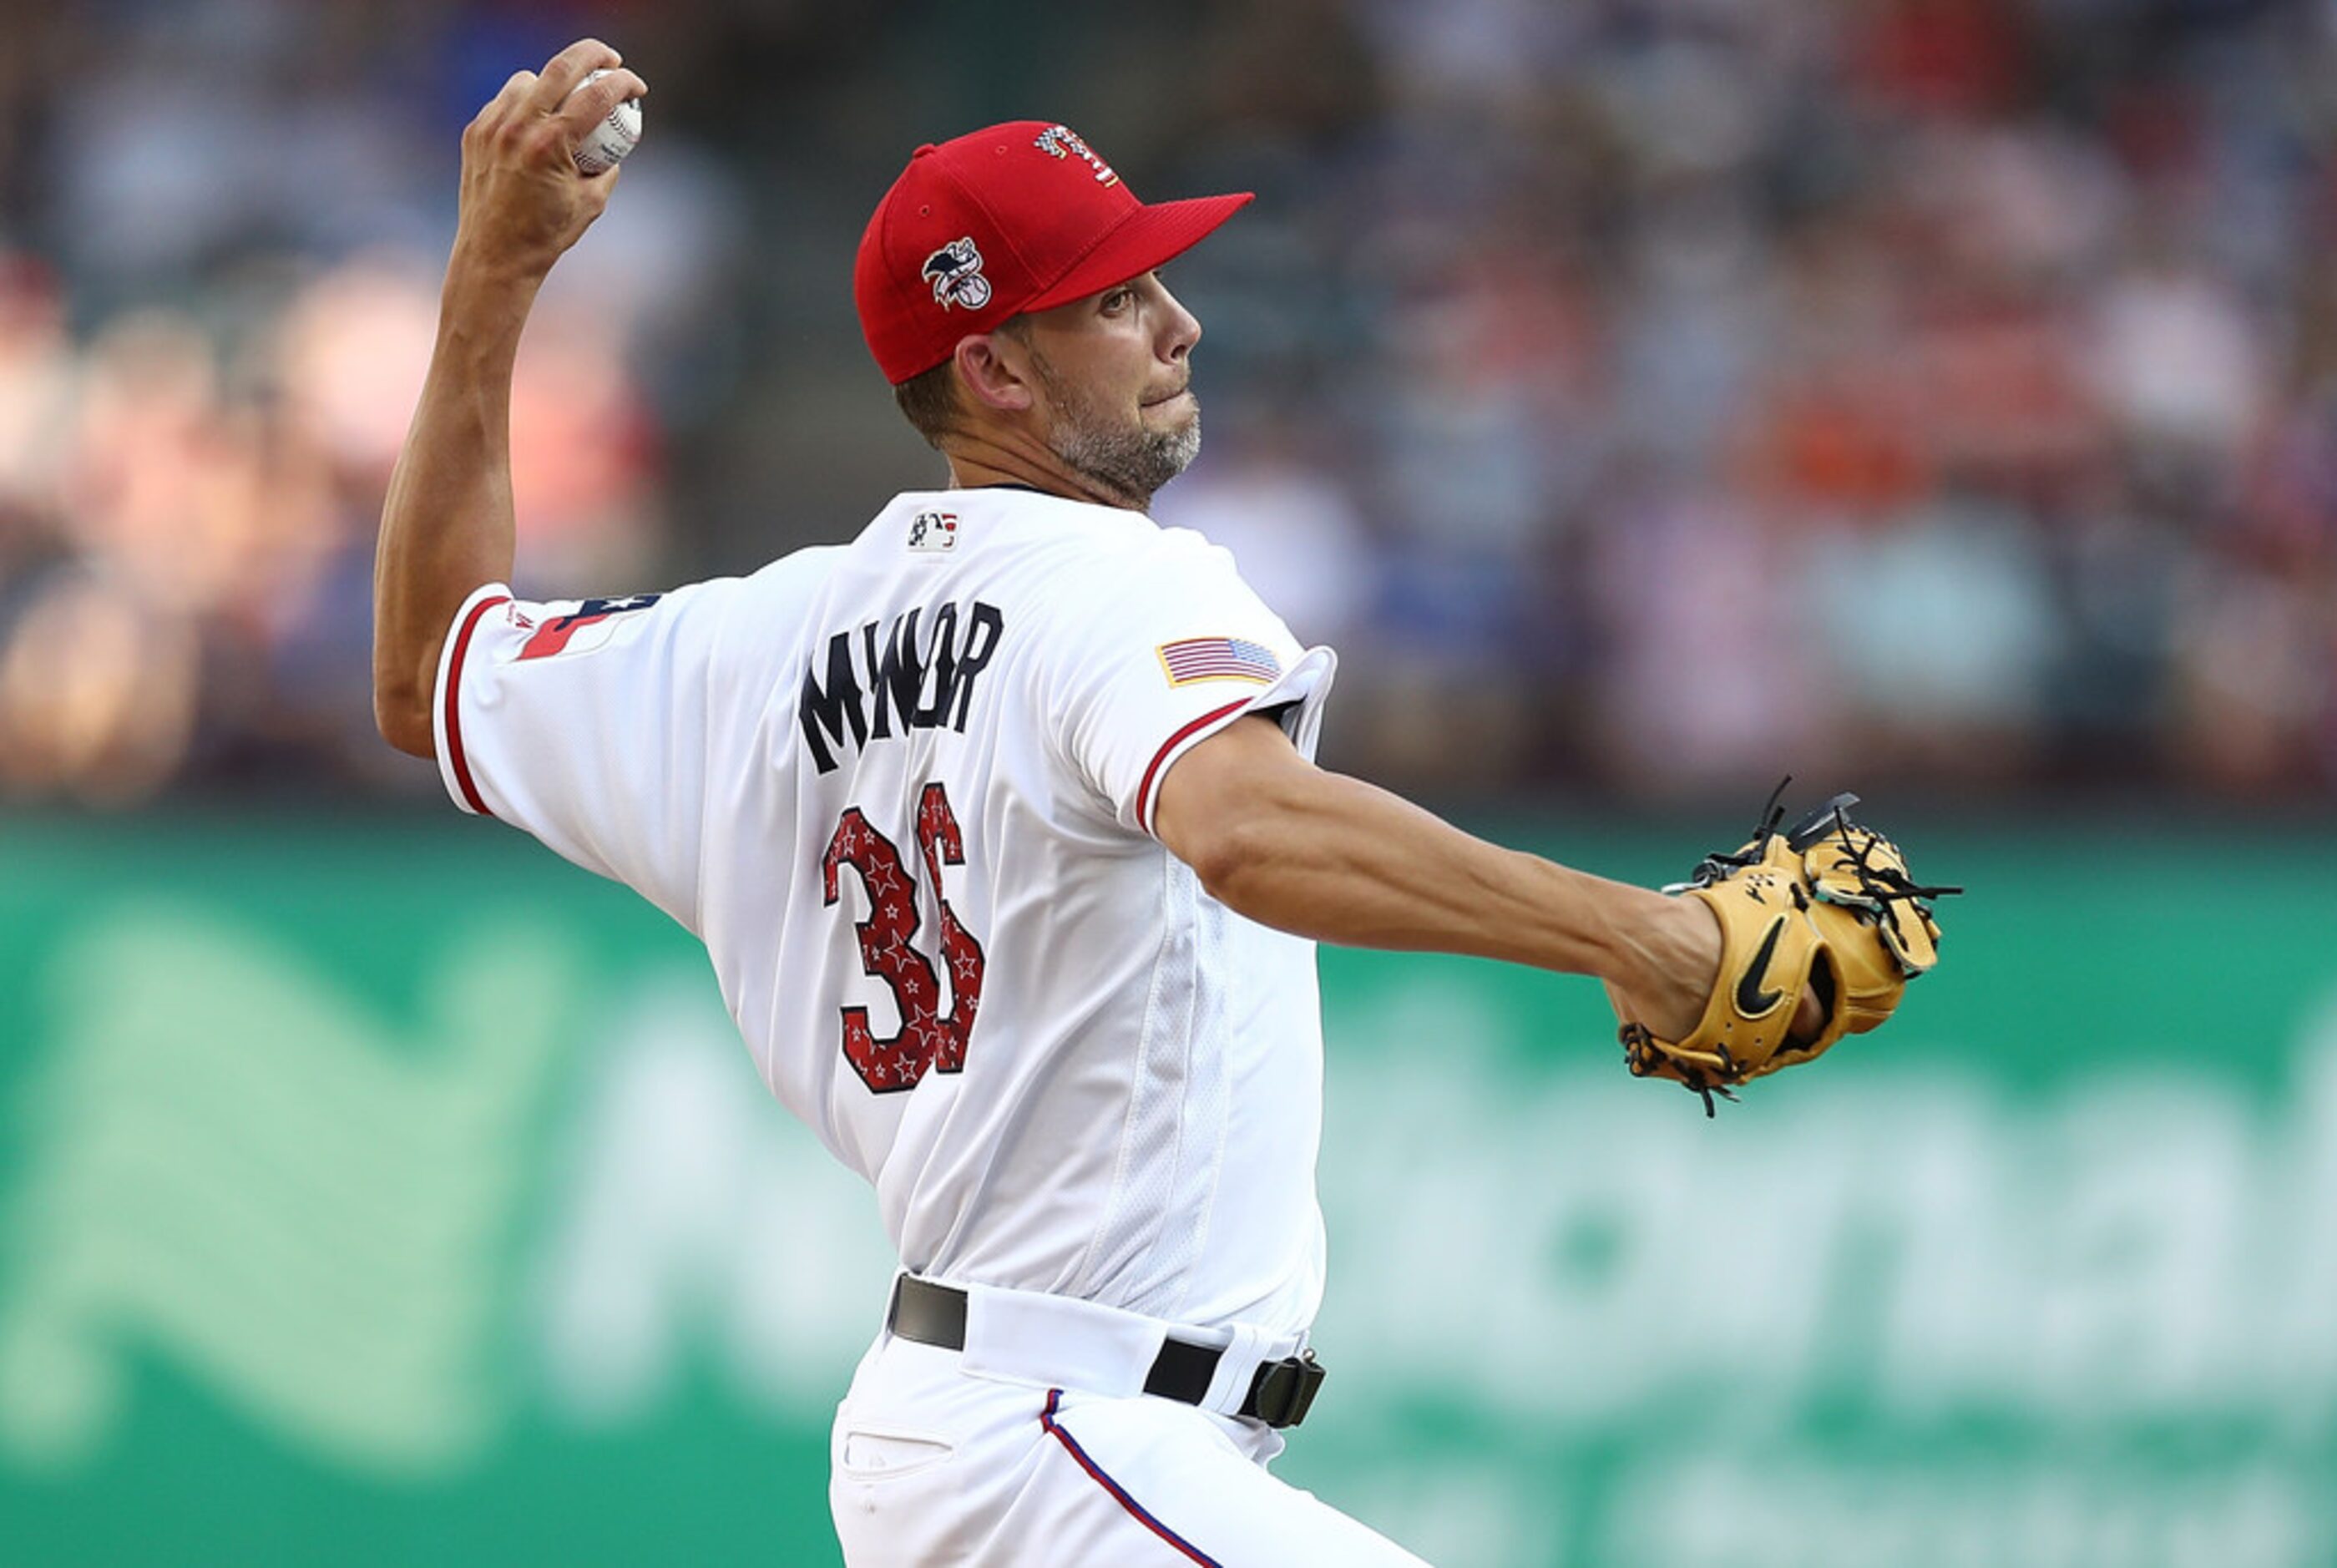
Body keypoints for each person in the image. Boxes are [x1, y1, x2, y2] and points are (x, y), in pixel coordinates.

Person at [374, 39, 1805, 1566]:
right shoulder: (1118, 585)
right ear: (992, 366)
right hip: (1064, 1432)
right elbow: (1247, 827)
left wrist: (491, 278)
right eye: (1117, 298)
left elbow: (428, 673)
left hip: (1003, 1431)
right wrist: (1640, 936)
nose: (1180, 322)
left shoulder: (742, 643)